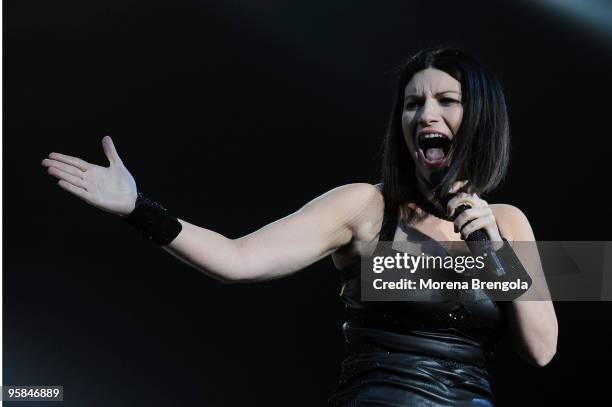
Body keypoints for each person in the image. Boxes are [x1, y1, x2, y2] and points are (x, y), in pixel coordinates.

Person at [41, 47, 557, 406]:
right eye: (412, 103)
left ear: (481, 117)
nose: (425, 113)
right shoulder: (364, 207)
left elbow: (542, 350)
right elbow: (238, 260)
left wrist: (492, 249)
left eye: (447, 101)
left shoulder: (510, 224)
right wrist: (139, 208)